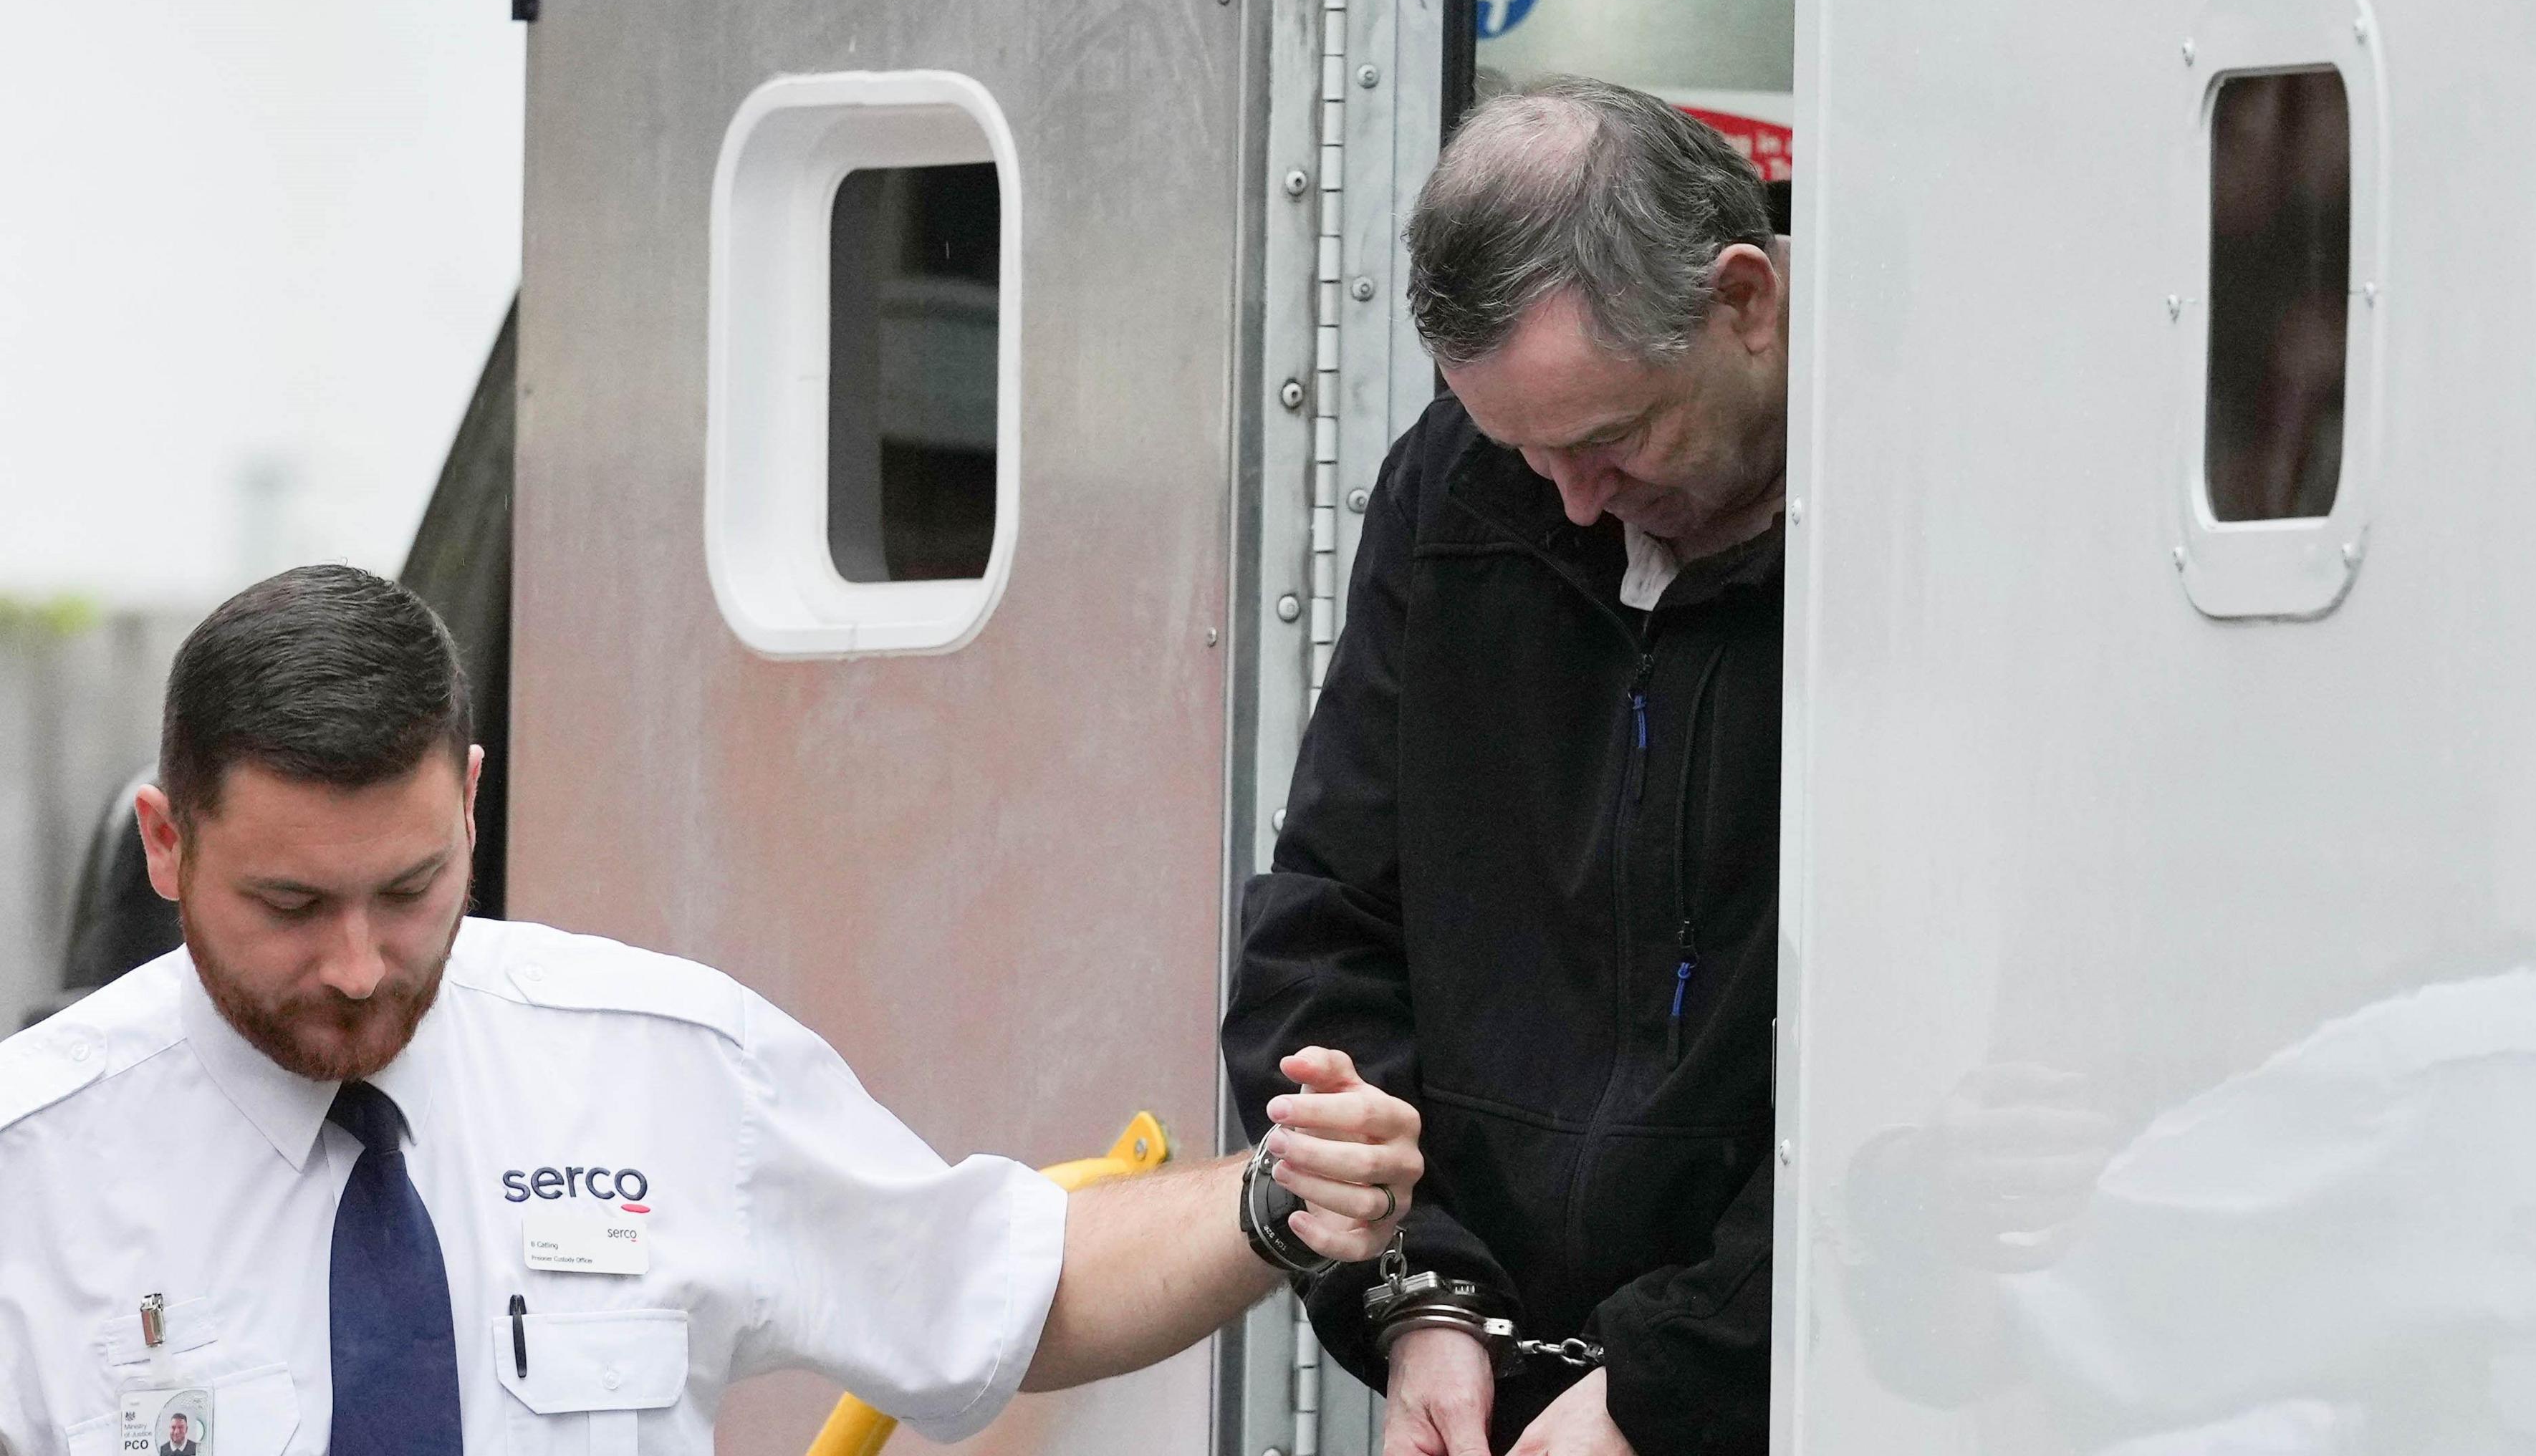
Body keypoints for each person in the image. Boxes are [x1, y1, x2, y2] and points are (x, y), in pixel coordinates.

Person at [0, 565, 1421, 1454]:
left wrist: (1276, 1200)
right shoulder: (33, 1169)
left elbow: (1000, 1287)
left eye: (412, 888)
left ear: (475, 802)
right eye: (292, 910)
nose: (363, 965)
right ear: (164, 842)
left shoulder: (667, 1068)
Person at [1223, 77, 1788, 1456]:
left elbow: (1961, 1059)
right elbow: (1330, 924)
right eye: (1522, 451)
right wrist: (1417, 1296)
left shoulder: (1923, 511)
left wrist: (1676, 1380)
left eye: (1611, 439)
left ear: (1745, 304)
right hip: (1500, 1367)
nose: (1574, 503)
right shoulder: (1459, 492)